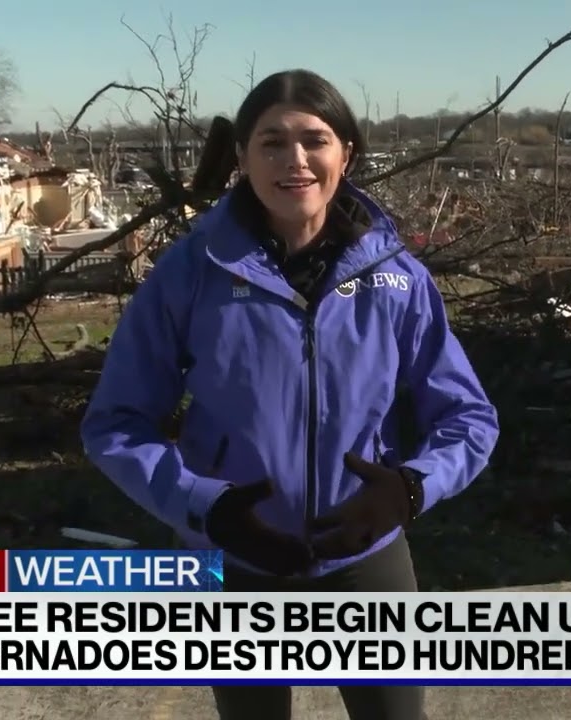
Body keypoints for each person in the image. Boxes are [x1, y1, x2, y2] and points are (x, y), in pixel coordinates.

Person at [80, 69, 500, 720]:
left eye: (315, 139)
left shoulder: (398, 281)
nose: (294, 159)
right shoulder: (189, 276)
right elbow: (117, 423)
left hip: (363, 554)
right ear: (242, 157)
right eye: (271, 142)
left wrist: (410, 489)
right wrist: (203, 506)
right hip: (232, 553)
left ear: (347, 155)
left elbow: (467, 416)